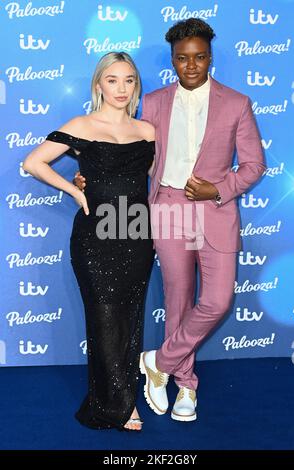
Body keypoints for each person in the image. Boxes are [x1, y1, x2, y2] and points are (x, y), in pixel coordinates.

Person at [75, 18, 265, 423]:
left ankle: (159, 361)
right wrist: (91, 175)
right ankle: (185, 385)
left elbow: (254, 165)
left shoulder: (237, 103)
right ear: (173, 61)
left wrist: (218, 189)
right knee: (177, 301)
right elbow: (133, 153)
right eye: (182, 58)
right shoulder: (155, 102)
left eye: (198, 57)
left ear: (210, 57)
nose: (191, 65)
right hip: (167, 209)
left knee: (216, 300)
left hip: (214, 210)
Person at [23, 52, 155, 432]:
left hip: (135, 233)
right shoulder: (82, 124)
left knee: (130, 317)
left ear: (136, 86)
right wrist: (75, 190)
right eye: (112, 80)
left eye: (128, 80)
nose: (121, 88)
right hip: (95, 236)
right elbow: (35, 162)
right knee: (103, 318)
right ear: (99, 84)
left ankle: (122, 397)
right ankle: (116, 405)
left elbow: (156, 176)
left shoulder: (147, 131)